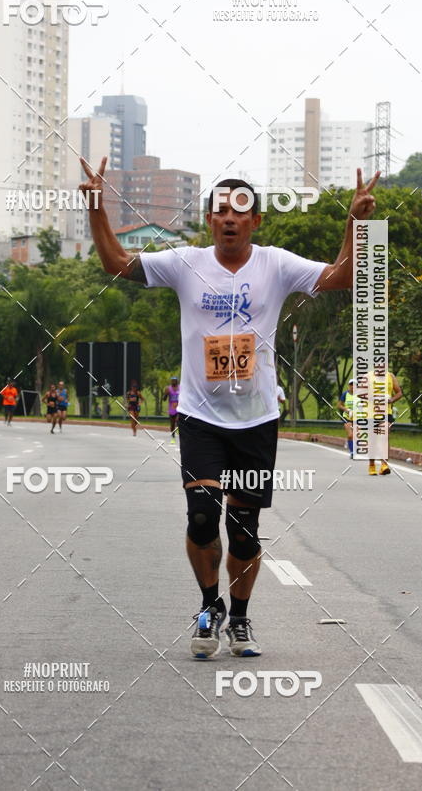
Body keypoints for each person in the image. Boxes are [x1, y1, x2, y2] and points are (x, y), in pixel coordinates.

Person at [80, 155, 379, 657]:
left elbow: (341, 277)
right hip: (201, 416)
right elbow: (116, 264)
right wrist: (96, 208)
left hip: (256, 419)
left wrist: (355, 223)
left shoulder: (276, 265)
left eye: (240, 212)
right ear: (209, 220)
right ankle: (208, 606)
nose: (229, 219)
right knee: (202, 516)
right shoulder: (185, 263)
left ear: (255, 220)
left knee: (243, 532)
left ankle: (239, 617)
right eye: (220, 211)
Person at [366, 369, 403, 476]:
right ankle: (372, 464)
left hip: (386, 412)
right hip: (371, 413)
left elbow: (399, 393)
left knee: (384, 436)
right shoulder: (368, 376)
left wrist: (391, 400)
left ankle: (384, 465)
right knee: (372, 441)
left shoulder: (390, 376)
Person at [337, 379, 360, 458]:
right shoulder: (345, 394)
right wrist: (346, 409)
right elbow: (339, 405)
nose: (353, 386)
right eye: (351, 385)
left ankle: (351, 443)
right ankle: (352, 452)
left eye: (354, 385)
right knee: (350, 435)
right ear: (349, 386)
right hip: (347, 417)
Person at [163, 377, 180, 443]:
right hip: (172, 408)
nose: (173, 382)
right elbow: (164, 399)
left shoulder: (180, 388)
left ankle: (178, 427)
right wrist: (166, 394)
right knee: (172, 423)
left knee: (178, 420)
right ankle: (173, 436)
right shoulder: (168, 388)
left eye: (175, 381)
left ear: (177, 381)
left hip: (179, 407)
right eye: (172, 381)